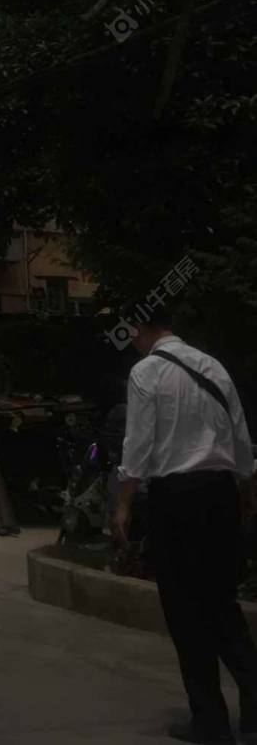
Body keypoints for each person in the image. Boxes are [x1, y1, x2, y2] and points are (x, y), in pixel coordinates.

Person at [113, 304, 257, 743]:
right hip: (220, 495)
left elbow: (139, 443)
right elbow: (240, 437)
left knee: (185, 612)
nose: (130, 340)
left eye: (130, 331)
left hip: (177, 500)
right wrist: (246, 492)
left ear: (142, 327)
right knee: (221, 603)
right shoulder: (212, 366)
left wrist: (123, 503)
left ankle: (211, 723)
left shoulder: (147, 372)